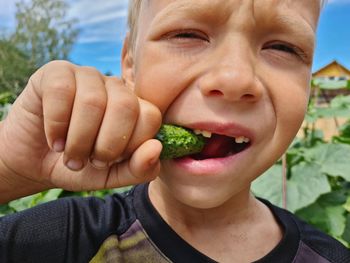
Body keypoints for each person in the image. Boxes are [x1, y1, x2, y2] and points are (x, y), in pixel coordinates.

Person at [0, 0, 349, 262]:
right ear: (130, 66)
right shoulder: (60, 239)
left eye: (283, 47)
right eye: (187, 34)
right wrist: (9, 168)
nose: (235, 78)